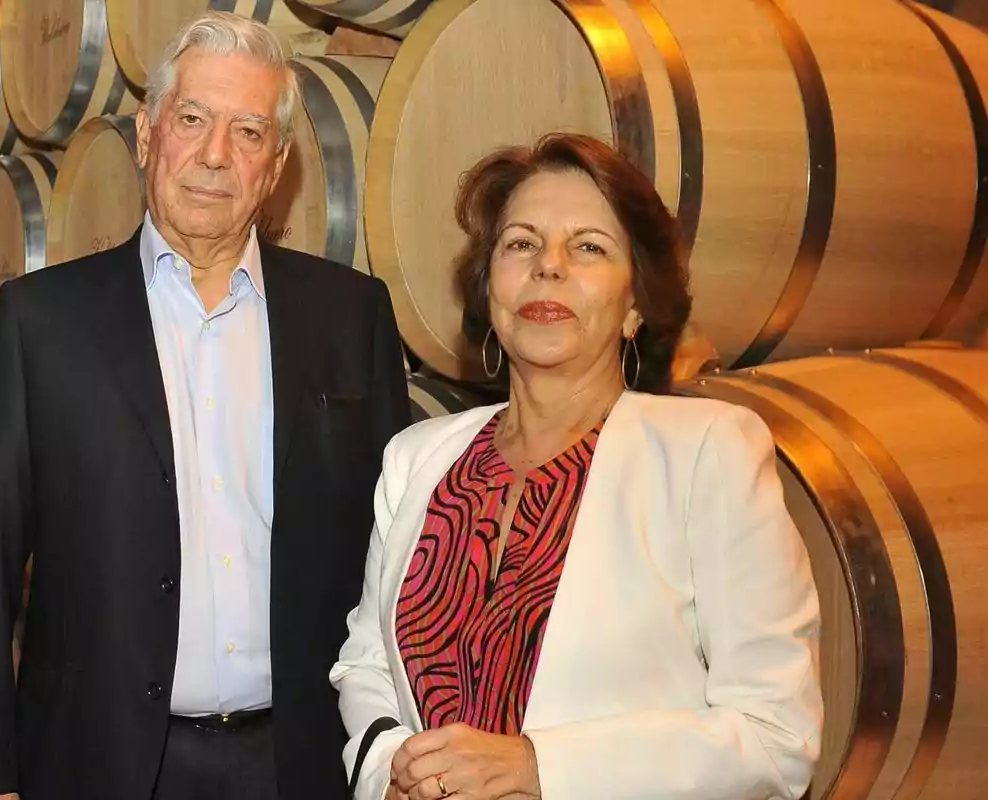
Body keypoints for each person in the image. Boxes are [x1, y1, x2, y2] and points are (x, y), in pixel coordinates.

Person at [0, 11, 411, 800]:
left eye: (249, 132)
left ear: (278, 164)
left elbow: (398, 562)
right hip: (100, 762)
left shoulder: (351, 315)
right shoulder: (39, 323)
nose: (215, 155)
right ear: (147, 135)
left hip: (302, 761)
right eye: (192, 119)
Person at [330, 132, 824, 800]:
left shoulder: (708, 452)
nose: (548, 267)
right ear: (489, 288)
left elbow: (776, 735)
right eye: (521, 244)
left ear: (636, 304)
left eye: (588, 246)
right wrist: (394, 768)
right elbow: (365, 665)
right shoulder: (418, 457)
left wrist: (545, 768)